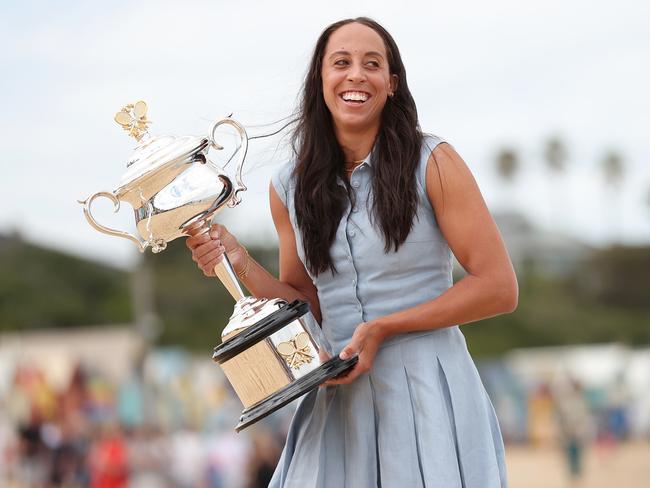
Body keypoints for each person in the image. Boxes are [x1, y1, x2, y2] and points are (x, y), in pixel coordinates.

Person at [187, 17, 518, 487]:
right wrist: (238, 260)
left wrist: (384, 328)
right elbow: (305, 305)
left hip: (429, 390)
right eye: (340, 63)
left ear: (392, 84)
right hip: (337, 400)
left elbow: (499, 289)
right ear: (321, 80)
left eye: (372, 64)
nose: (356, 75)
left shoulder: (435, 162)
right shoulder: (288, 187)